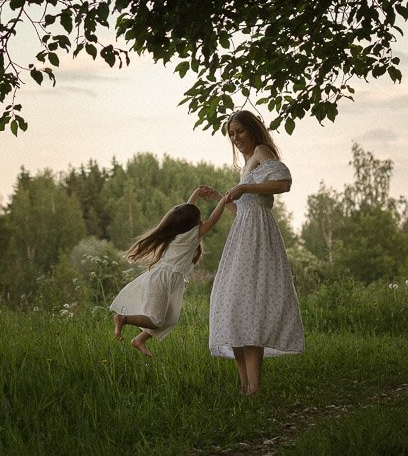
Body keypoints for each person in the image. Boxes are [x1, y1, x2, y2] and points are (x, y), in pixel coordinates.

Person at [202, 110, 304, 395]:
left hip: (258, 236)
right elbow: (243, 210)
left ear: (252, 130)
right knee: (231, 305)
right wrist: (220, 197)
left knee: (251, 306)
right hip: (242, 234)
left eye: (240, 131)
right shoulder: (247, 163)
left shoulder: (261, 151)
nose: (235, 138)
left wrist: (246, 186)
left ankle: (254, 388)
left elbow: (284, 182)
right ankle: (245, 386)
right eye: (231, 134)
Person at [109, 187, 226, 356]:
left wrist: (196, 192)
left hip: (165, 278)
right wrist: (224, 199)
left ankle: (139, 340)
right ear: (193, 222)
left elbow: (185, 211)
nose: (201, 221)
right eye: (198, 218)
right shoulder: (192, 235)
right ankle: (123, 318)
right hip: (163, 279)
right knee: (156, 321)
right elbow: (213, 220)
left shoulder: (178, 231)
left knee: (170, 318)